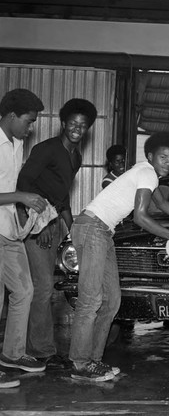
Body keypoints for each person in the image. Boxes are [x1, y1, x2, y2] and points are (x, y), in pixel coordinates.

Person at [68, 132, 169, 382]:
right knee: (90, 300)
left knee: (111, 301)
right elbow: (140, 218)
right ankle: (80, 364)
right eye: (163, 157)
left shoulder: (147, 174)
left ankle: (94, 361)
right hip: (92, 228)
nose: (168, 162)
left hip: (103, 231)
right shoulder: (146, 172)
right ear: (150, 156)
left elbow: (163, 205)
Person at [17, 98, 97, 369]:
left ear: (87, 129)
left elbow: (62, 197)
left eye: (82, 125)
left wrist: (73, 230)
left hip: (52, 222)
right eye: (72, 123)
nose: (77, 128)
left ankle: (38, 347)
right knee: (42, 287)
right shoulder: (46, 149)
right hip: (34, 221)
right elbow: (25, 183)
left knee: (43, 286)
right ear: (63, 123)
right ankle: (39, 351)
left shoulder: (76, 157)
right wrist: (35, 223)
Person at [0, 89, 47, 386]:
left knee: (24, 290)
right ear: (11, 116)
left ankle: (12, 354)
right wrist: (20, 196)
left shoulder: (17, 144)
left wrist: (28, 209)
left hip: (7, 230)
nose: (30, 129)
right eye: (28, 122)